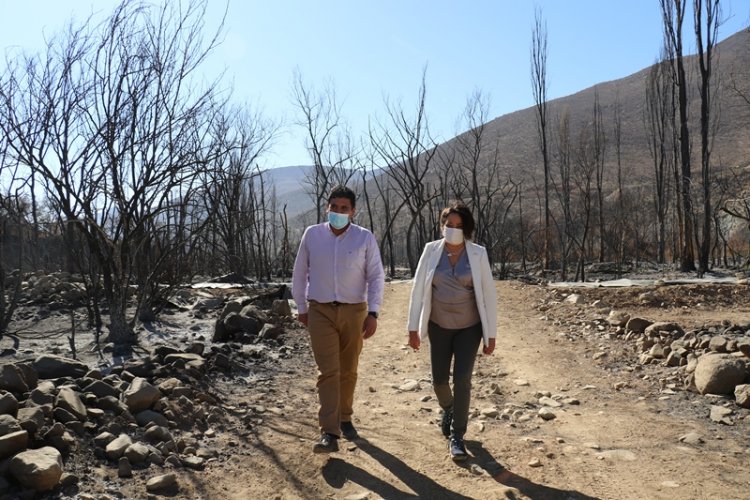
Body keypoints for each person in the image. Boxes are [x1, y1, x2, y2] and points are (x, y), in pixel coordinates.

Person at [292, 185, 385, 454]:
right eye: (335, 207)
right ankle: (329, 433)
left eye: (344, 208)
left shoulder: (364, 238)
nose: (339, 212)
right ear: (327, 208)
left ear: (353, 211)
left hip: (355, 311)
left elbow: (376, 276)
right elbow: (300, 271)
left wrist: (374, 312)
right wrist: (301, 306)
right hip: (319, 310)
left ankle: (345, 417)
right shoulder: (313, 235)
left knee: (349, 369)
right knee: (328, 372)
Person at [406, 202, 497, 462]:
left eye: (459, 226)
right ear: (442, 226)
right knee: (439, 382)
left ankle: (458, 436)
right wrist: (413, 328)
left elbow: (489, 295)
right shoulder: (431, 250)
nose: (453, 230)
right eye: (449, 225)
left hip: (470, 327)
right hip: (438, 325)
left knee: (462, 379)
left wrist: (491, 335)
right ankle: (448, 409)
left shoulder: (478, 254)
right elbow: (416, 291)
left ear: (466, 228)